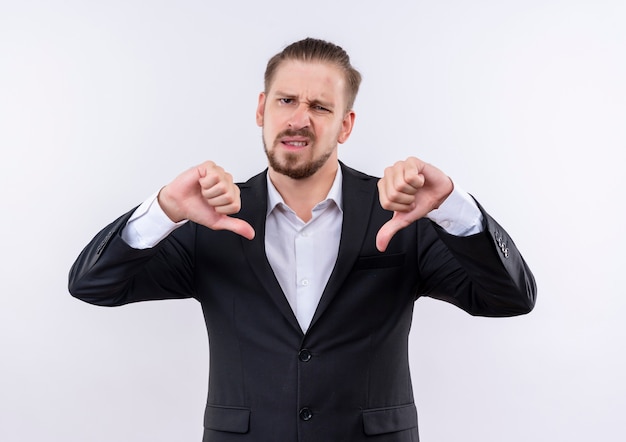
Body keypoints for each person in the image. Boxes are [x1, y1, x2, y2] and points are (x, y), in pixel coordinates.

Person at [69, 37, 536, 442]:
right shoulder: (210, 219)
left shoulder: (399, 214)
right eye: (286, 101)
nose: (299, 119)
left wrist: (453, 206)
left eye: (320, 107)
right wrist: (165, 209)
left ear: (345, 124)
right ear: (261, 109)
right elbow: (93, 285)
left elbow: (510, 297)